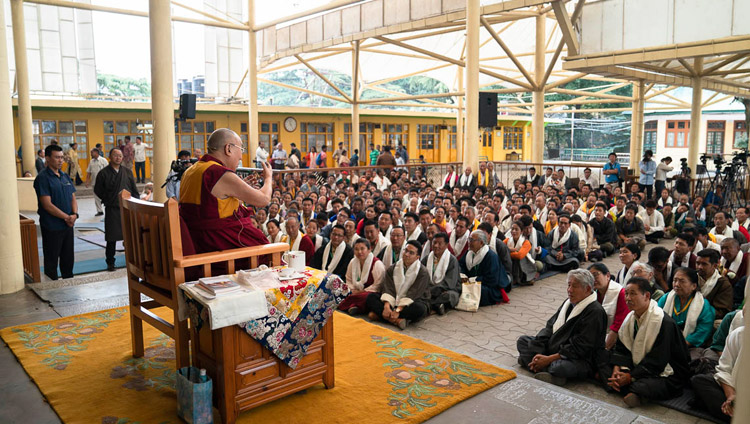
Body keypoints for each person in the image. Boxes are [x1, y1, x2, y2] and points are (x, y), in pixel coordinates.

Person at [179, 129, 272, 261]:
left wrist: (235, 193)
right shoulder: (217, 173)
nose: (240, 157)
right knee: (269, 254)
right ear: (228, 149)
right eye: (241, 149)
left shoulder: (190, 171)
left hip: (197, 242)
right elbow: (263, 199)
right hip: (216, 246)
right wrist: (268, 178)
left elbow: (208, 206)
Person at [601, 277, 691, 408]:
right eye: (626, 293)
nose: (628, 298)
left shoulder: (662, 322)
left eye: (633, 293)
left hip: (665, 372)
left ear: (647, 296)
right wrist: (617, 368)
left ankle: (632, 390)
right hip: (637, 366)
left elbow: (658, 360)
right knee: (602, 361)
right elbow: (622, 348)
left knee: (644, 386)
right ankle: (630, 390)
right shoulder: (630, 318)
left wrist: (629, 376)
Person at [517, 269, 607, 386]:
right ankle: (541, 366)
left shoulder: (595, 312)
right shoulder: (568, 302)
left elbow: (580, 347)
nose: (569, 290)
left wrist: (549, 359)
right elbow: (550, 327)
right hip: (556, 348)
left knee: (560, 367)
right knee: (523, 341)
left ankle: (537, 365)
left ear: (588, 289)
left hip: (579, 358)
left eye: (574, 286)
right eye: (569, 285)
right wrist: (539, 347)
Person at [34, 144, 78, 280]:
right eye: (57, 157)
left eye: (62, 157)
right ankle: (52, 291)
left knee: (68, 259)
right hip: (52, 226)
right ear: (47, 158)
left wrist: (74, 215)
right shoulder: (43, 178)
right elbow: (47, 205)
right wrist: (67, 217)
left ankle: (69, 286)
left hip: (68, 226)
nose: (60, 160)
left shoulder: (64, 176)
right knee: (52, 261)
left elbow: (73, 197)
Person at [366, 240, 430, 330]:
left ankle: (381, 316)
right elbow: (388, 288)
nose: (406, 254)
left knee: (420, 309)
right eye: (406, 250)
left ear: (417, 257)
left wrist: (398, 310)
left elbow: (414, 293)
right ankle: (396, 321)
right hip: (393, 300)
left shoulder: (423, 272)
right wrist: (386, 306)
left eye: (411, 253)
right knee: (371, 297)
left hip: (412, 301)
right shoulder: (393, 268)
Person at [94, 148, 139, 272]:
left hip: (126, 208)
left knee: (130, 236)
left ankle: (132, 260)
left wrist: (136, 203)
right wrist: (107, 199)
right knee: (111, 238)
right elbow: (98, 190)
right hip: (112, 209)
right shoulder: (103, 173)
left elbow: (134, 190)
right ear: (110, 156)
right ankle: (110, 262)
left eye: (120, 156)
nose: (118, 158)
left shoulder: (127, 172)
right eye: (115, 155)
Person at [691, 325, 743, 423]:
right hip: (734, 388)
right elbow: (724, 369)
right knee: (699, 380)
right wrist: (731, 396)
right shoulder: (739, 334)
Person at [658, 267, 716, 354]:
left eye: (682, 281)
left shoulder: (703, 305)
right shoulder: (666, 298)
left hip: (691, 346)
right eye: (675, 280)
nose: (676, 284)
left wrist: (682, 344)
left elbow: (703, 329)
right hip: (664, 342)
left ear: (694, 286)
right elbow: (656, 318)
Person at [459, 230, 508, 306]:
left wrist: (473, 280)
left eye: (472, 240)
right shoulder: (469, 253)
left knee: (478, 291)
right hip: (469, 282)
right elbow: (461, 265)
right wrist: (463, 275)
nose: (469, 242)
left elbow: (492, 279)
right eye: (469, 239)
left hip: (487, 286)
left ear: (481, 243)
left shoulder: (491, 256)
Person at [340, 238, 386, 315]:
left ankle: (354, 306)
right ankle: (355, 307)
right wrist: (352, 290)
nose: (359, 252)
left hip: (369, 292)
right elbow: (348, 279)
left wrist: (360, 292)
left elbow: (378, 285)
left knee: (367, 297)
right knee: (340, 291)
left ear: (369, 249)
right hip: (354, 291)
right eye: (356, 249)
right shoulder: (352, 262)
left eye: (362, 249)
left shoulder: (377, 264)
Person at [589, 263, 628, 350]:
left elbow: (619, 325)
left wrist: (605, 348)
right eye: (590, 278)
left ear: (607, 275)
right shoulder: (593, 294)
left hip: (617, 337)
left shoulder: (620, 293)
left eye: (595, 275)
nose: (593, 280)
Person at [422, 232, 460, 315]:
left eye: (439, 243)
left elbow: (450, 282)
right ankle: (437, 306)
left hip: (446, 289)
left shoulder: (452, 260)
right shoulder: (427, 258)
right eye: (434, 243)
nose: (436, 246)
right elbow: (420, 274)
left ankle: (430, 305)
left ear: (446, 245)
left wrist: (433, 290)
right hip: (429, 289)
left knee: (450, 296)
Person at [695, 249, 734, 320]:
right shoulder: (691, 278)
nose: (699, 267)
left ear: (715, 266)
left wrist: (696, 313)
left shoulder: (723, 284)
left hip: (709, 319)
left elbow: (722, 311)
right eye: (697, 263)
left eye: (704, 264)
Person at [720, 238, 748, 307]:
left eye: (727, 248)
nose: (724, 252)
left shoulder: (747, 259)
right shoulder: (722, 262)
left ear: (738, 248)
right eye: (722, 248)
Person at [506, 221, 536, 286]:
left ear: (521, 231)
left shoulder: (526, 242)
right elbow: (500, 248)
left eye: (516, 229)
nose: (514, 231)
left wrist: (507, 253)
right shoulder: (508, 240)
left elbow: (519, 255)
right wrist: (511, 249)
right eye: (512, 229)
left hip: (525, 265)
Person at [86, 147, 109, 216]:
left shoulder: (103, 160)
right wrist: (87, 181)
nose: (91, 154)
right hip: (94, 182)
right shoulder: (91, 161)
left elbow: (108, 171)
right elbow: (89, 172)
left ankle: (108, 209)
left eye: (92, 153)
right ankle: (100, 211)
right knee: (96, 197)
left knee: (106, 196)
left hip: (103, 182)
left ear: (96, 153)